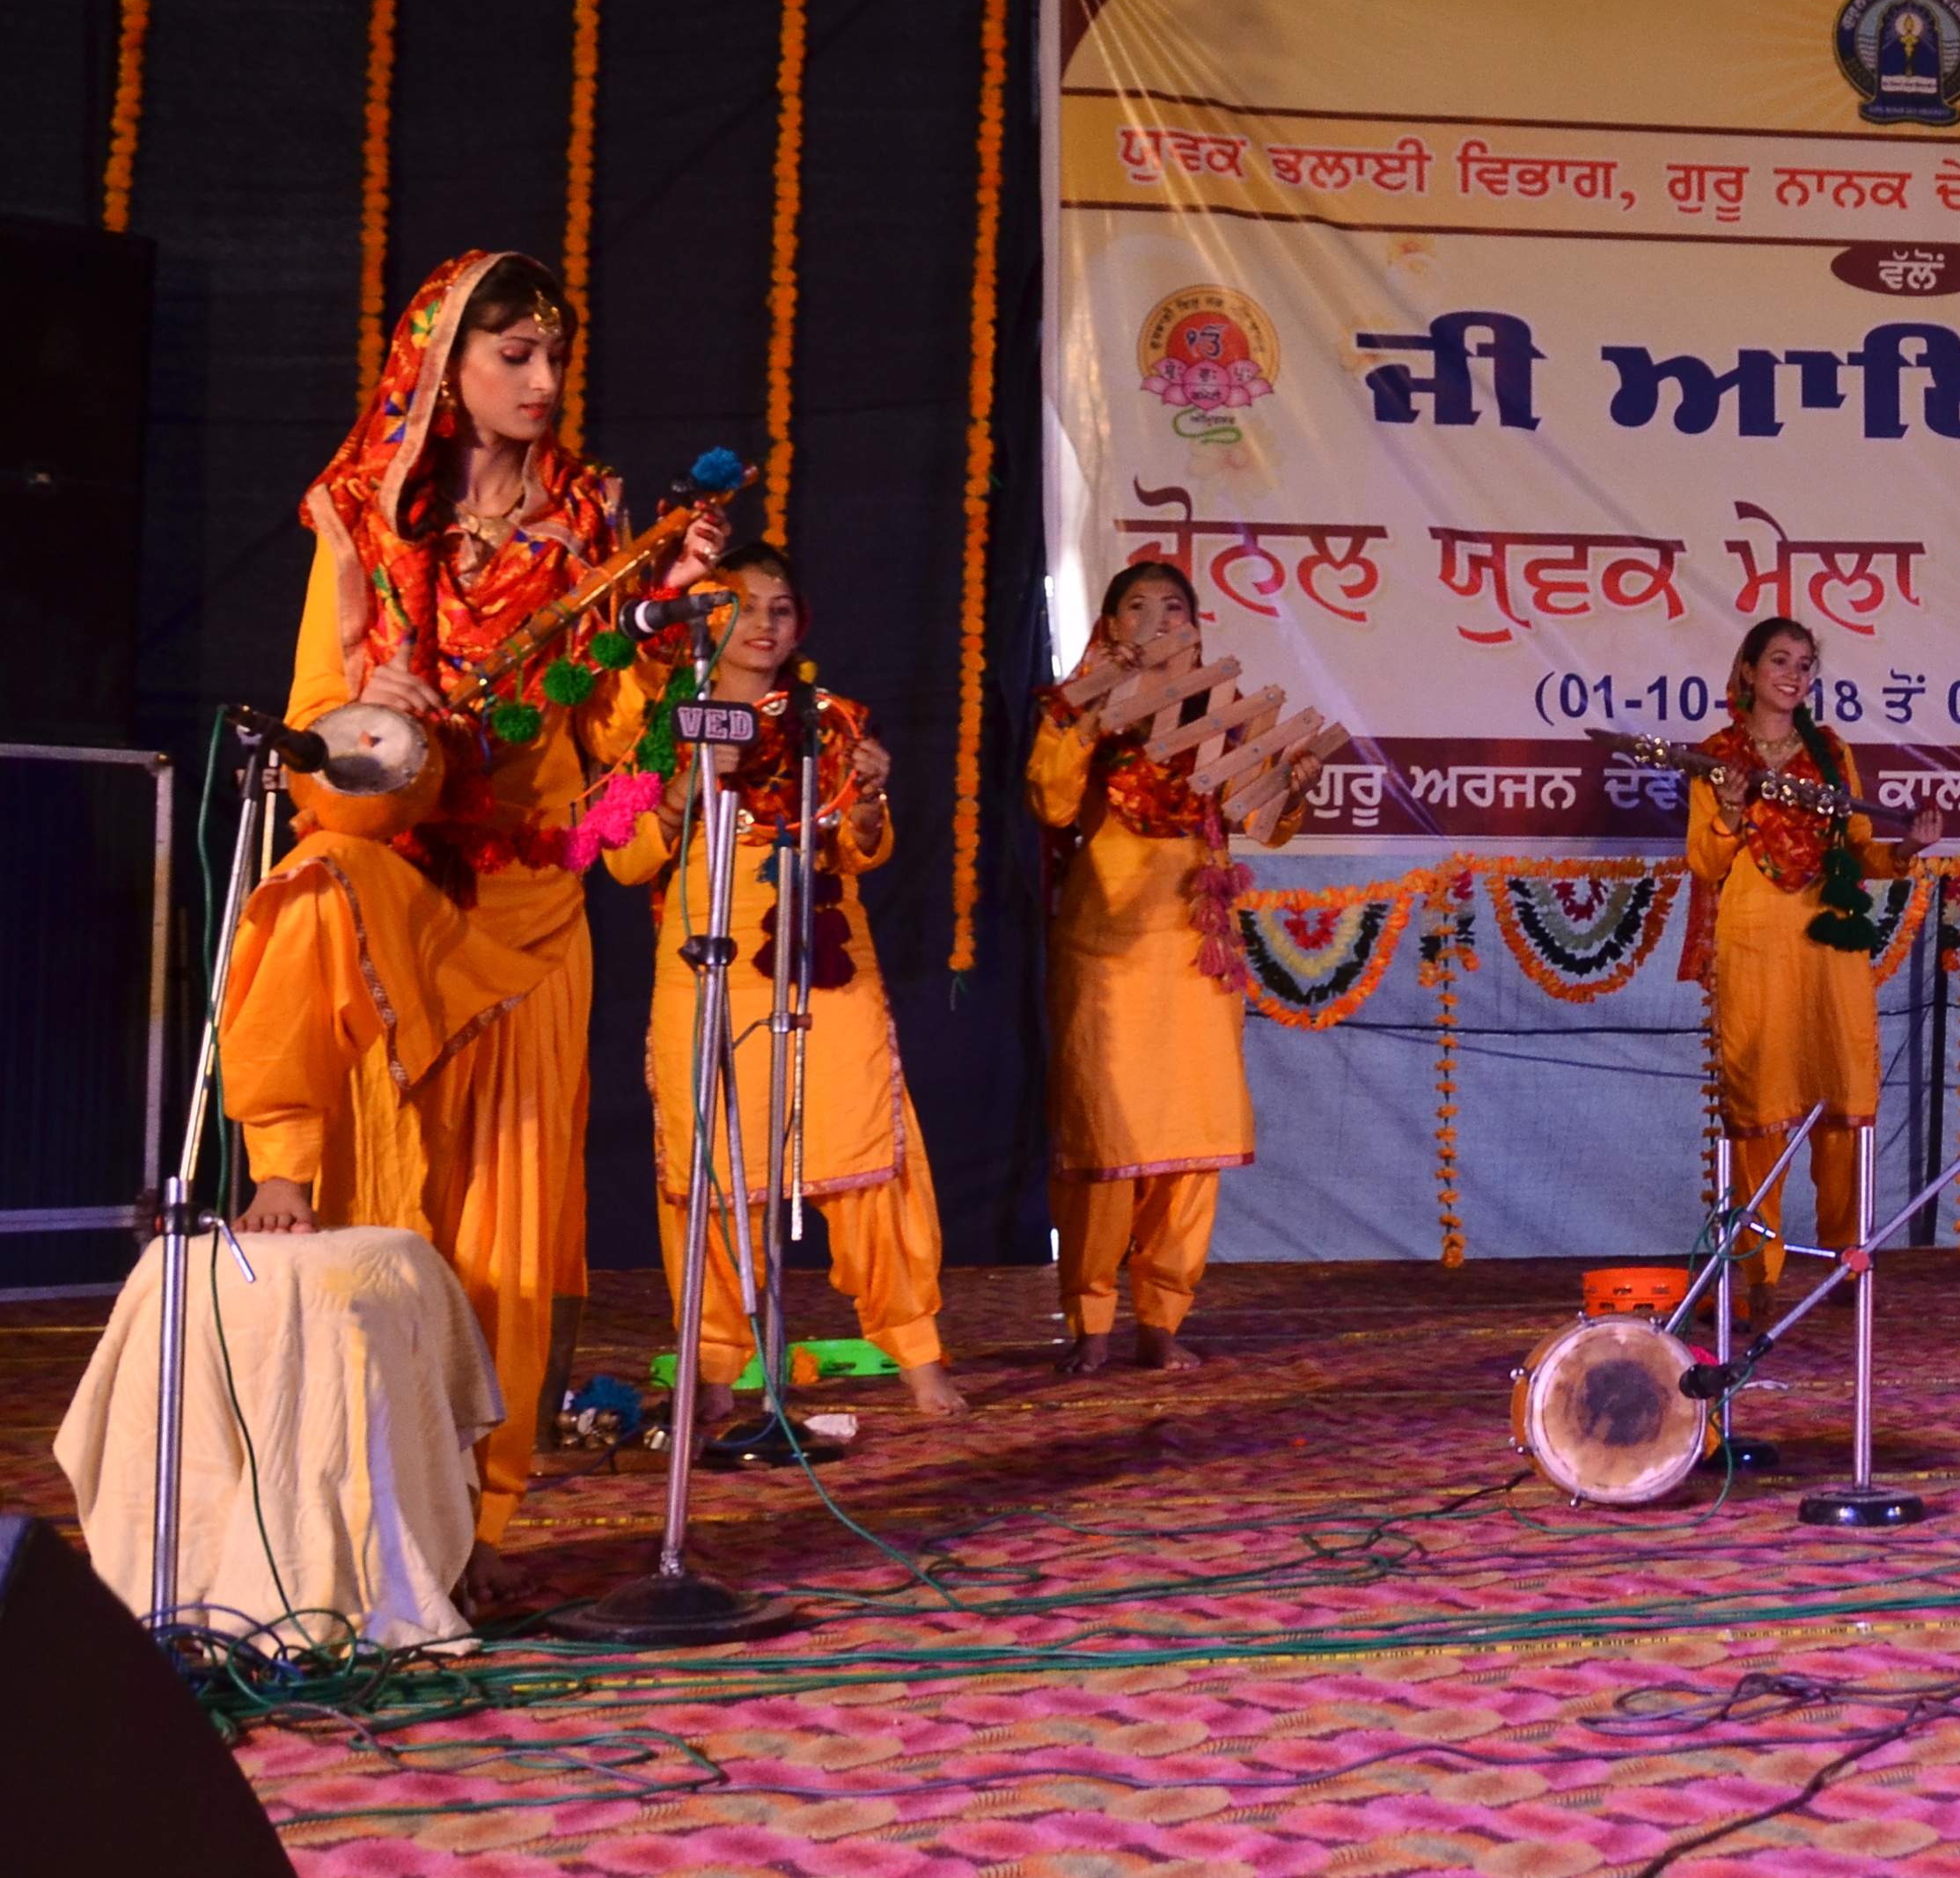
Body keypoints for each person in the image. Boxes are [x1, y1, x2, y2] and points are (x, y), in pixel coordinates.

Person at [213, 249, 725, 1597]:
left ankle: (477, 1540)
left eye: (557, 356)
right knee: (316, 888)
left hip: (533, 900)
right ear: (445, 366)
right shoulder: (365, 520)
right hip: (402, 862)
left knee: (505, 1237)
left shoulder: (604, 529)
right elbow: (321, 728)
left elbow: (619, 735)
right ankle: (285, 1162)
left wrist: (664, 630)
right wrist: (369, 701)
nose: (546, 383)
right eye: (516, 356)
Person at [597, 543, 965, 1418]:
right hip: (705, 958)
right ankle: (719, 1365)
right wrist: (688, 786)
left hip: (822, 957)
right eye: (739, 607)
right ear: (704, 623)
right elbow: (619, 857)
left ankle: (916, 1352)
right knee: (710, 1168)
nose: (762, 624)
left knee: (868, 1151)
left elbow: (855, 848)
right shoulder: (656, 721)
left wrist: (869, 802)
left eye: (778, 608)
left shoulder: (824, 719)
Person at [1030, 557, 1319, 1372]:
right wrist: (1087, 720)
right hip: (1105, 950)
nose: (1157, 620)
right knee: (1103, 1139)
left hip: (1197, 950)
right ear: (1112, 626)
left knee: (1194, 1141)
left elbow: (1270, 826)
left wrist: (1294, 788)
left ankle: (1162, 1316)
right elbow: (1050, 803)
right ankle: (1089, 1321)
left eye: (1173, 608)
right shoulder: (1075, 708)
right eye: (1137, 607)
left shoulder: (1220, 717)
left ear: (1195, 629)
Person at [1682, 617, 1941, 1282]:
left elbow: (1860, 849)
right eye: (1779, 660)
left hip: (1830, 943)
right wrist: (1731, 814)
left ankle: (1843, 1264)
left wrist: (1908, 848)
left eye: (1804, 664)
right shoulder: (1714, 755)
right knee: (1762, 1103)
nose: (1793, 674)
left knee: (1840, 1102)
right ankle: (1760, 1269)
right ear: (1747, 671)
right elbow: (1705, 863)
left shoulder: (1830, 752)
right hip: (1754, 941)